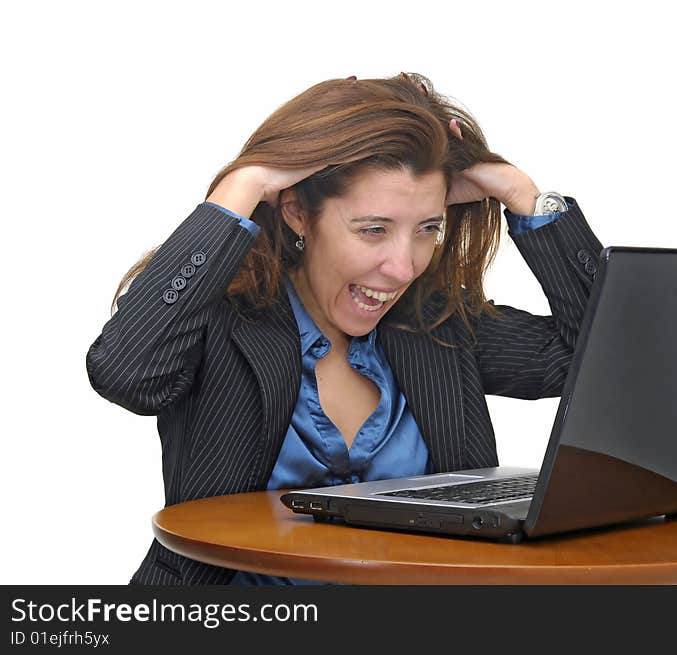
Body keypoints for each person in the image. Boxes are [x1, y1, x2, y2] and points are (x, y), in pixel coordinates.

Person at [86, 72, 605, 585]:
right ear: (296, 214)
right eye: (373, 230)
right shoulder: (221, 323)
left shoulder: (437, 326)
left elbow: (600, 362)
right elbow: (126, 372)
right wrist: (244, 185)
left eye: (427, 228)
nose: (403, 267)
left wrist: (524, 196)